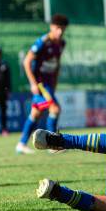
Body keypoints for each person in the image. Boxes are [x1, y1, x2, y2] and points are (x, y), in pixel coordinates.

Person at [15, 14, 69, 154]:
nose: (60, 32)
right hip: (40, 84)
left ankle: (21, 144)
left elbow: (57, 65)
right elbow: (26, 62)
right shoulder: (42, 42)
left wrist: (55, 84)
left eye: (62, 29)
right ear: (51, 27)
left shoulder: (62, 44)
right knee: (55, 109)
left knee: (36, 113)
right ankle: (52, 145)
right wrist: (33, 84)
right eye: (57, 28)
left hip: (49, 84)